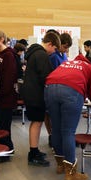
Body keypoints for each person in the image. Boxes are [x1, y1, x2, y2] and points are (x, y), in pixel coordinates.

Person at [45, 53, 91, 180]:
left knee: (56, 129)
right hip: (70, 91)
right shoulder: (90, 68)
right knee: (68, 132)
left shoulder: (66, 63)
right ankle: (71, 173)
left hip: (49, 88)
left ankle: (60, 165)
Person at [19, 31, 60, 166]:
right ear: (49, 44)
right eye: (54, 49)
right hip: (36, 94)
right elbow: (46, 77)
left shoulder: (33, 53)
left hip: (31, 93)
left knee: (36, 122)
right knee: (36, 122)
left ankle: (34, 151)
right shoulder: (41, 54)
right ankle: (33, 154)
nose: (53, 52)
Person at [0, 30, 18, 152]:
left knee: (4, 126)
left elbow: (8, 77)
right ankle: (5, 148)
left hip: (6, 97)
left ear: (1, 40)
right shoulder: (0, 55)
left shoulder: (8, 55)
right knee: (1, 124)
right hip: (1, 96)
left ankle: (7, 149)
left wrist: (1, 94)